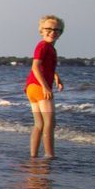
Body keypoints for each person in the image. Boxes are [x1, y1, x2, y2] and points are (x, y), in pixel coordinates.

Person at [25, 15, 64, 159]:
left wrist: (55, 76)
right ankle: (49, 154)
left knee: (39, 124)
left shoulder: (50, 48)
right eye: (48, 29)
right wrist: (46, 87)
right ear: (41, 30)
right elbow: (35, 67)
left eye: (56, 30)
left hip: (31, 88)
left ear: (60, 33)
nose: (52, 32)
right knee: (50, 123)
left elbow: (46, 67)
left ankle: (33, 156)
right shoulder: (43, 45)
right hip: (39, 87)